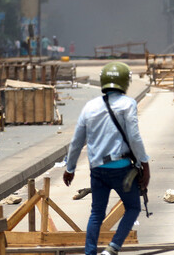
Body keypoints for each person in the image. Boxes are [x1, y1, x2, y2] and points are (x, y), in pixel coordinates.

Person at [64, 62, 150, 255]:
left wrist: (70, 168)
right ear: (124, 82)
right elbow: (135, 137)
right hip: (122, 169)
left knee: (96, 213)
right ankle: (112, 249)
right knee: (133, 207)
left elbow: (77, 141)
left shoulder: (90, 107)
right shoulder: (128, 104)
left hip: (97, 171)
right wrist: (144, 163)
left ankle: (90, 252)